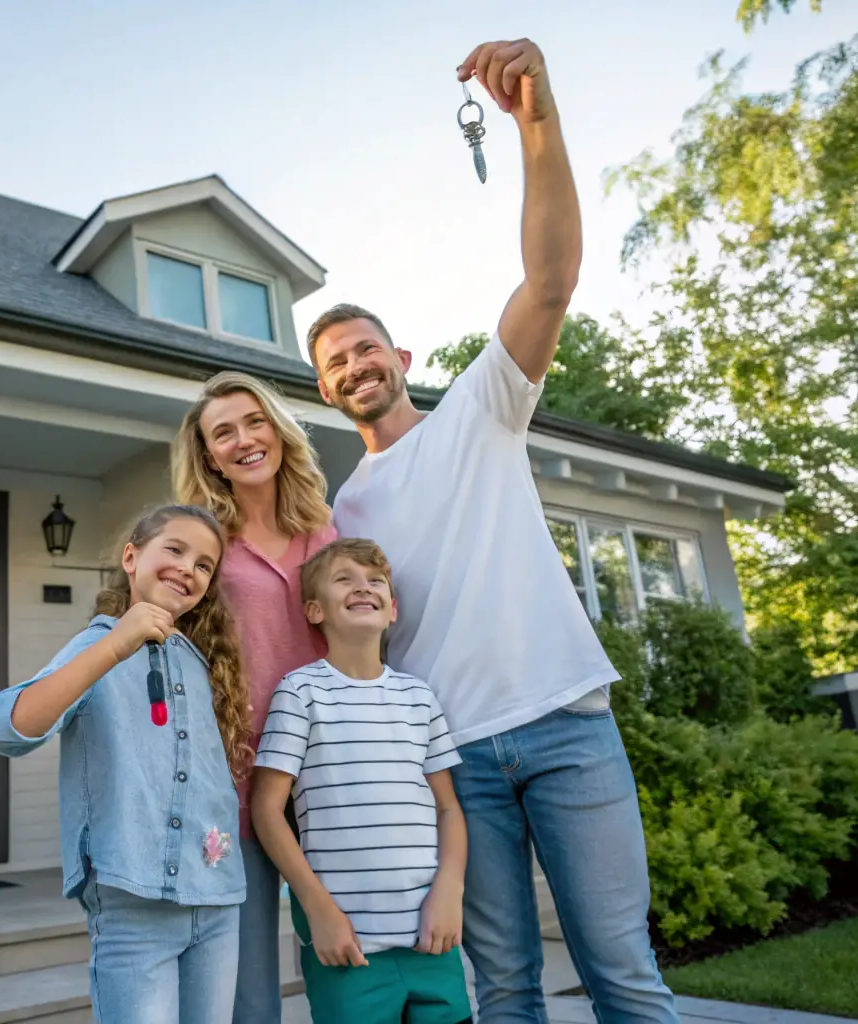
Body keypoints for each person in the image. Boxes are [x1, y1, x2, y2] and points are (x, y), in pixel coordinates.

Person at [304, 39, 680, 1024]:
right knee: (505, 990)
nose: (353, 366)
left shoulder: (483, 409)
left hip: (565, 724)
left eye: (364, 347)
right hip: (457, 761)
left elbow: (549, 280)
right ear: (325, 390)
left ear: (401, 355)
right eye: (334, 363)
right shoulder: (342, 516)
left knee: (623, 975)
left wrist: (536, 120)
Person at [0, 504, 251, 1024]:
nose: (187, 569)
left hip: (215, 898)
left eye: (204, 565)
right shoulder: (96, 647)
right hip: (134, 904)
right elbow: (5, 731)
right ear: (132, 557)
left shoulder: (201, 664)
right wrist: (115, 645)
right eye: (174, 549)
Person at [173, 371, 337, 1022]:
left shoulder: (324, 531)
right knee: (245, 982)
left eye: (253, 421)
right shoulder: (201, 542)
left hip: (327, 774)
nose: (243, 440)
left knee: (342, 953)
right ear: (207, 454)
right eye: (223, 432)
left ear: (277, 428)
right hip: (235, 778)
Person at [250, 538, 470, 1024]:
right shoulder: (300, 692)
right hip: (345, 948)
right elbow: (267, 810)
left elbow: (448, 808)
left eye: (376, 581)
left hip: (432, 938)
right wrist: (316, 909)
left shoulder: (419, 696)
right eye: (344, 579)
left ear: (392, 609)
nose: (363, 587)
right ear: (313, 609)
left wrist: (451, 891)